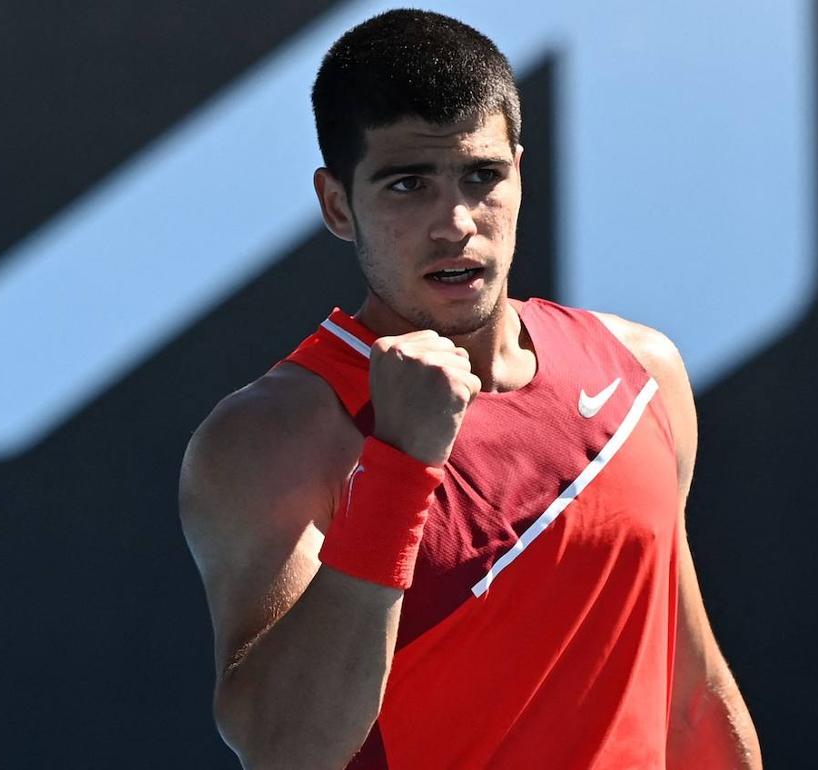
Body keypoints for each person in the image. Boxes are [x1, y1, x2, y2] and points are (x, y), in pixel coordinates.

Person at [179, 9, 761, 769]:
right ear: (336, 206)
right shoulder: (274, 437)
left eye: (481, 177)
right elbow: (288, 750)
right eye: (408, 185)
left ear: (519, 172)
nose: (455, 224)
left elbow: (689, 699)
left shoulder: (642, 372)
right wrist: (399, 463)